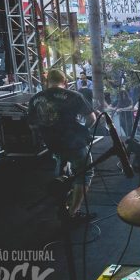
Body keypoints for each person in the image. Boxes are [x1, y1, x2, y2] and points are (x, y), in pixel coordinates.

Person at [27, 69, 97, 221]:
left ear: (47, 82)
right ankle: (72, 213)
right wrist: (83, 131)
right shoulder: (74, 96)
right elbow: (92, 119)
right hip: (75, 144)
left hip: (53, 144)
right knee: (84, 174)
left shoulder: (36, 98)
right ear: (65, 82)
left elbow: (32, 125)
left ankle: (62, 204)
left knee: (62, 172)